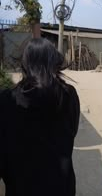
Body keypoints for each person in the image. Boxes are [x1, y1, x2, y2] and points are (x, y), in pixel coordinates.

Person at [0, 38, 80, 196]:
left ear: (24, 64)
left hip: (20, 187)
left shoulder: (7, 99)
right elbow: (72, 131)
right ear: (54, 61)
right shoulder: (69, 95)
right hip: (61, 186)